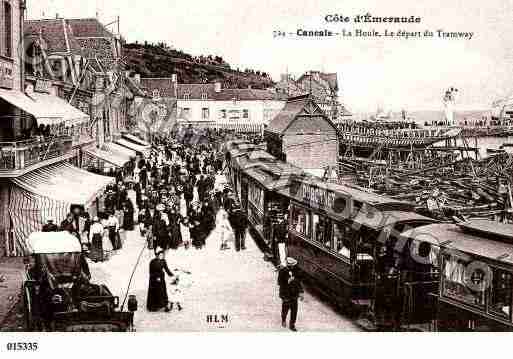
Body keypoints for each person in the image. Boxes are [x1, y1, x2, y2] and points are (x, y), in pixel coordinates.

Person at [278, 257, 304, 331]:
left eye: (294, 265)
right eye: (292, 265)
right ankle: (283, 320)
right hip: (286, 294)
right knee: (285, 309)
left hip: (294, 294)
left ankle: (292, 325)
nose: (293, 266)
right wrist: (287, 280)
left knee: (294, 310)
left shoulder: (296, 271)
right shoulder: (282, 271)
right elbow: (279, 282)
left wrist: (301, 292)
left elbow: (299, 282)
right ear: (289, 265)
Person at [146, 247, 174, 312]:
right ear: (157, 255)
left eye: (162, 255)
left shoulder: (163, 261)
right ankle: (154, 307)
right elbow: (151, 272)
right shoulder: (152, 262)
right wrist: (156, 277)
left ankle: (164, 306)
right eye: (160, 255)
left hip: (161, 279)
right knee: (155, 293)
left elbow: (167, 269)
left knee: (162, 292)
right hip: (154, 280)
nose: (161, 256)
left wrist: (172, 275)